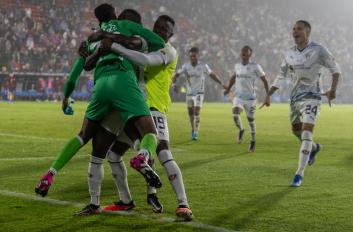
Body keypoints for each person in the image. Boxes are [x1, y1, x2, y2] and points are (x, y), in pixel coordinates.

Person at [35, 5, 165, 216]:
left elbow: (75, 75)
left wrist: (66, 98)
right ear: (115, 13)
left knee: (88, 141)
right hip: (126, 88)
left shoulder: (90, 40)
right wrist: (128, 38)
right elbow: (159, 43)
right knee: (149, 135)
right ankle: (145, 168)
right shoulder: (127, 28)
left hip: (101, 88)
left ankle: (55, 175)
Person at [97, 15, 193, 221]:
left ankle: (183, 204)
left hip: (155, 107)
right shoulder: (144, 45)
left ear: (171, 34)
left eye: (164, 29)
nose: (159, 31)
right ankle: (128, 200)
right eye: (157, 27)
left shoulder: (168, 50)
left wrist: (114, 45)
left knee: (163, 153)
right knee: (115, 155)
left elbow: (146, 61)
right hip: (135, 108)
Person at [261, 20, 340, 187]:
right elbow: (281, 75)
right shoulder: (289, 53)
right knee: (296, 131)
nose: (294, 31)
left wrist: (333, 89)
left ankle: (299, 174)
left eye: (299, 29)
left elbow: (335, 69)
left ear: (307, 32)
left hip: (312, 96)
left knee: (305, 133)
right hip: (295, 98)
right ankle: (314, 148)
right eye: (293, 29)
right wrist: (269, 94)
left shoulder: (319, 50)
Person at [172, 47, 226, 140]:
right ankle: (193, 129)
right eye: (191, 56)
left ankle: (196, 132)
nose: (192, 58)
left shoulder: (203, 66)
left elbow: (212, 75)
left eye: (194, 56)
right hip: (189, 93)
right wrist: (174, 84)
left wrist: (221, 83)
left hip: (199, 93)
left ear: (198, 56)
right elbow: (176, 75)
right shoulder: (186, 66)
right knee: (190, 112)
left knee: (196, 111)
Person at [224, 45, 269, 152]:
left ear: (250, 54)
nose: (243, 52)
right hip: (238, 97)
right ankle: (241, 130)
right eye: (242, 51)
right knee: (235, 114)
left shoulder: (255, 66)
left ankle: (253, 140)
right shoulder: (237, 66)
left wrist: (268, 96)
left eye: (246, 51)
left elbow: (265, 80)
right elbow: (233, 77)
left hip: (251, 99)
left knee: (251, 120)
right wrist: (228, 88)